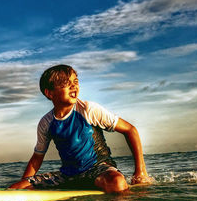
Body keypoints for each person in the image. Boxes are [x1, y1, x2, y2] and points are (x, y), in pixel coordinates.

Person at [9, 64, 152, 193]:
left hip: (98, 170)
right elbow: (37, 158)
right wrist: (23, 190)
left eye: (75, 82)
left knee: (117, 182)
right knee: (16, 188)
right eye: (66, 83)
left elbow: (130, 130)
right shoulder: (46, 122)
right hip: (68, 175)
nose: (73, 86)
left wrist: (141, 171)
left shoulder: (88, 109)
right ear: (49, 93)